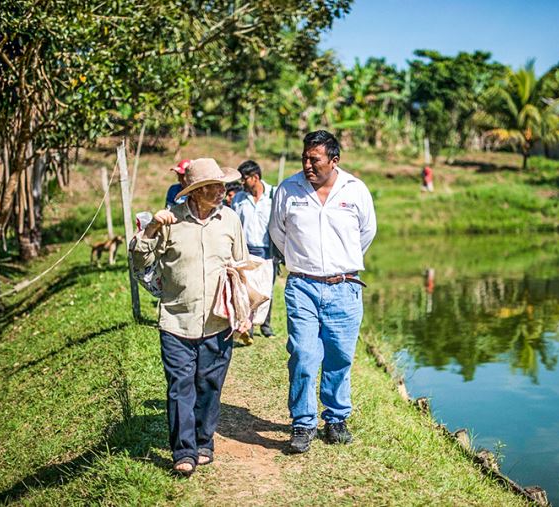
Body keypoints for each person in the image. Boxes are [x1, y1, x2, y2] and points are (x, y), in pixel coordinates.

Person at [131, 158, 249, 477]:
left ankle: (203, 441)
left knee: (209, 385)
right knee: (180, 385)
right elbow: (140, 258)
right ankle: (184, 451)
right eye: (215, 187)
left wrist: (244, 309)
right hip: (176, 320)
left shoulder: (230, 220)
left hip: (217, 322)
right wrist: (152, 228)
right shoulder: (170, 222)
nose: (223, 191)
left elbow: (241, 265)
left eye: (223, 185)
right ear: (195, 192)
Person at [269, 130, 377, 454]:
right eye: (304, 157)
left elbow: (366, 233)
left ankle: (335, 420)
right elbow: (278, 232)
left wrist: (340, 264)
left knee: (340, 356)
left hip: (344, 287)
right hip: (302, 285)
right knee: (303, 353)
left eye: (313, 159)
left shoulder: (356, 191)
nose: (307, 164)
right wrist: (306, 263)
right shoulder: (288, 189)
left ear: (334, 160)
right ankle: (303, 423)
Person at [232, 160, 276, 338]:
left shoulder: (273, 195)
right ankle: (246, 326)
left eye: (244, 179)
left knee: (266, 291)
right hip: (246, 251)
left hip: (267, 252)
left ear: (255, 177)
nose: (242, 183)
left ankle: (265, 325)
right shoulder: (239, 199)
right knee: (247, 291)